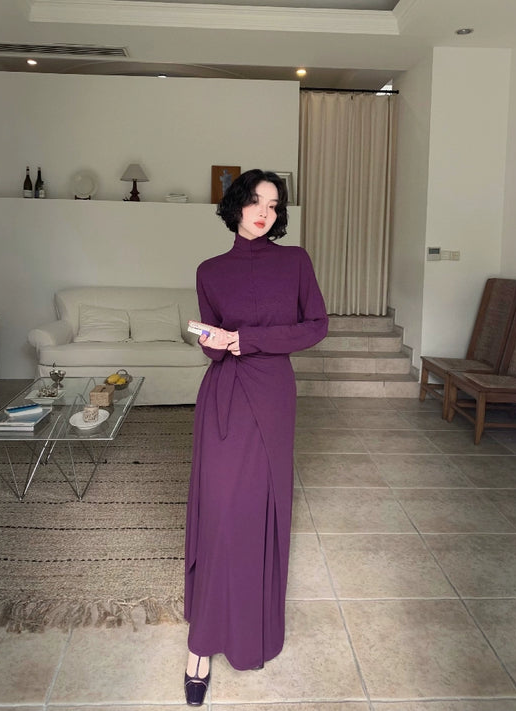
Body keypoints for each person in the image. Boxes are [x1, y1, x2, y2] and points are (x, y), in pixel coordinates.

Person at [184, 169, 328, 706]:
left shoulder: (296, 262)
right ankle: (200, 644)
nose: (264, 211)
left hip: (272, 396)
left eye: (273, 203)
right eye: (255, 201)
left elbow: (315, 325)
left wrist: (248, 339)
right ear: (236, 206)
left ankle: (253, 630)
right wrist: (214, 341)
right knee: (220, 510)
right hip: (223, 396)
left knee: (259, 509)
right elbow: (211, 342)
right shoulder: (209, 270)